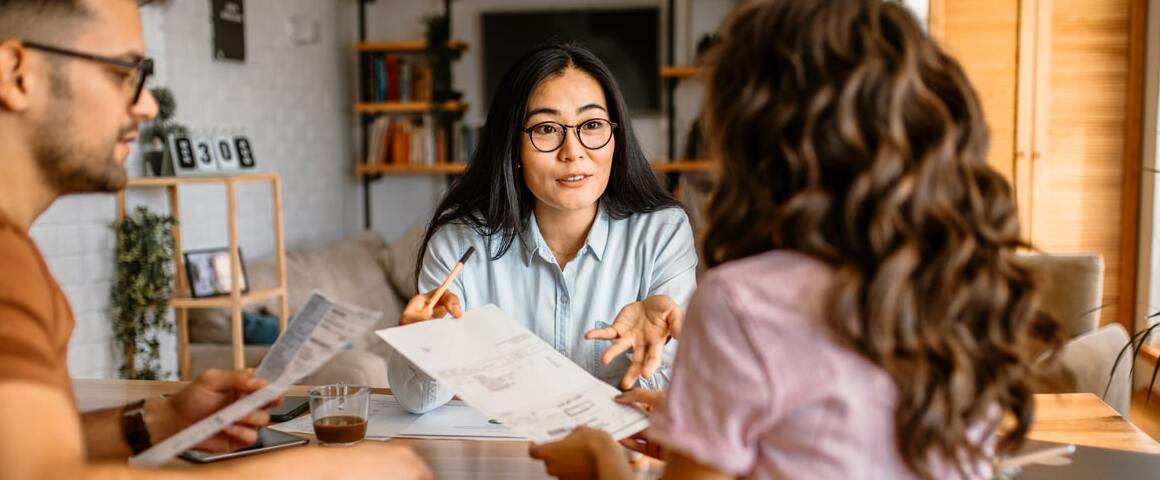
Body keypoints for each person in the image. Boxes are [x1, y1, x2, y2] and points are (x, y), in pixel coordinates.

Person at [529, 0, 1056, 478]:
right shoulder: (958, 274)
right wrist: (702, 429)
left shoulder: (744, 301)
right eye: (547, 130)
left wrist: (600, 460)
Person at [0, 1, 428, 478]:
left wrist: (161, 419)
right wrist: (311, 471)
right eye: (125, 73)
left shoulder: (17, 251)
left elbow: (20, 451)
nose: (148, 105)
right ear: (18, 73)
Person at [389, 43, 697, 414]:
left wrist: (651, 351)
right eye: (547, 129)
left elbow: (676, 401)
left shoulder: (662, 232)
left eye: (593, 125)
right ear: (512, 146)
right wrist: (425, 343)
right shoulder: (459, 242)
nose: (573, 151)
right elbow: (416, 401)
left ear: (616, 136)